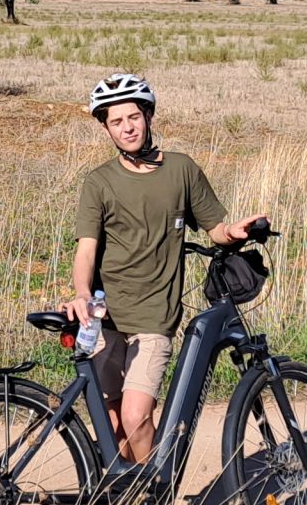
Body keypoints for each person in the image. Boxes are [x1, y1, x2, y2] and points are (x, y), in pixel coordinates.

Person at [66, 74, 268, 465]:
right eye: (116, 122)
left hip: (153, 317)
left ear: (148, 116)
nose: (127, 128)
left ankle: (153, 495)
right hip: (105, 317)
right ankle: (131, 496)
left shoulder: (181, 170)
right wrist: (81, 294)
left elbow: (215, 228)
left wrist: (234, 231)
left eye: (133, 117)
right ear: (106, 129)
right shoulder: (100, 182)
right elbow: (86, 250)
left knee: (136, 418)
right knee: (112, 423)